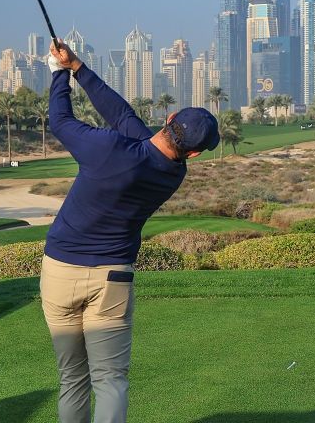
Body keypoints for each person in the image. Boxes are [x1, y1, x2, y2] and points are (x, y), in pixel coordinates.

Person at [42, 39, 219, 423]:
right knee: (110, 380)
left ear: (169, 119)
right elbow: (122, 116)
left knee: (72, 378)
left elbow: (61, 122)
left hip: (60, 271)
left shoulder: (111, 149)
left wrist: (60, 75)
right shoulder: (172, 172)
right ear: (193, 153)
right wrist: (78, 68)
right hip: (112, 280)